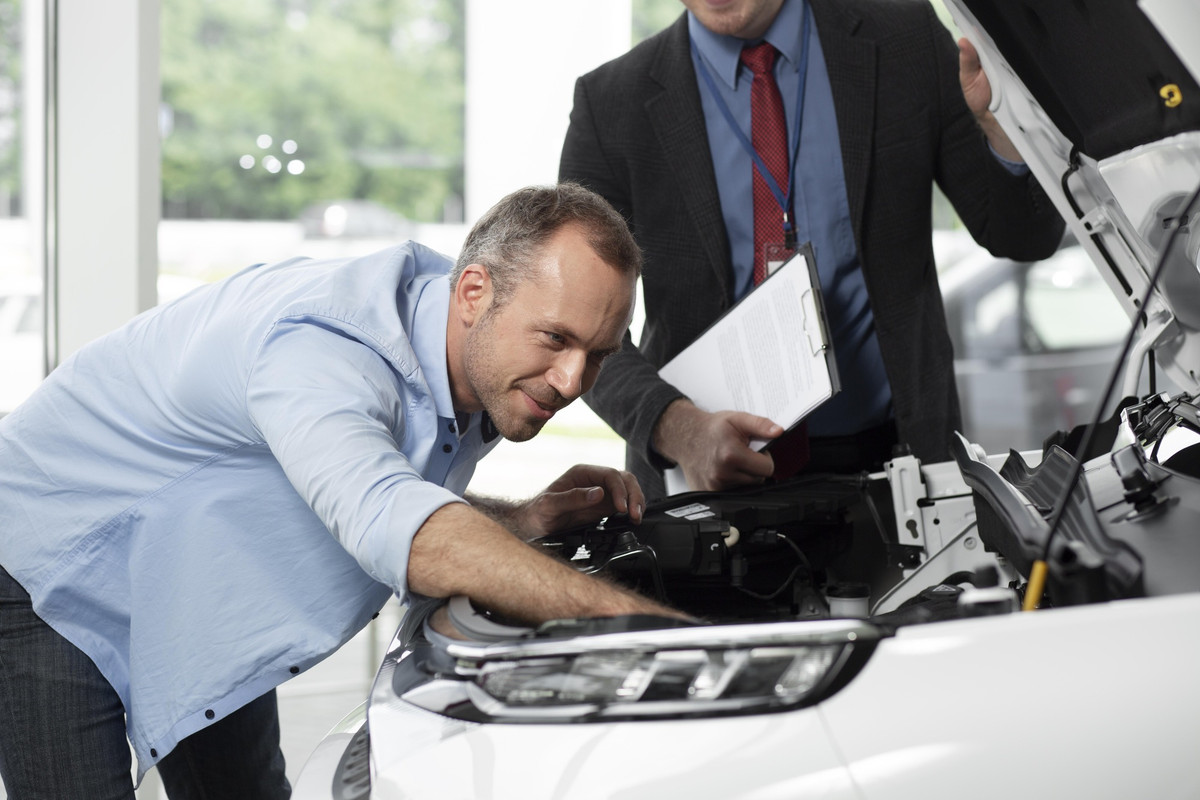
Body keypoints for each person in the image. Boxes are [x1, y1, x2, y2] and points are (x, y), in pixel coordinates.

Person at [0, 183, 681, 799]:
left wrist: (521, 518)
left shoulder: (473, 354)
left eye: (598, 354)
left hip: (193, 576)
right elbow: (400, 526)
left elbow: (376, 485)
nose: (570, 381)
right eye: (556, 339)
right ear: (474, 292)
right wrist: (666, 639)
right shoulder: (322, 349)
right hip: (52, 557)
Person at [559, 0, 1066, 500]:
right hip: (702, 482)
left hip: (901, 462)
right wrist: (679, 428)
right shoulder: (610, 104)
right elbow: (574, 329)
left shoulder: (907, 40)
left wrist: (1001, 120)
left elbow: (1022, 235)